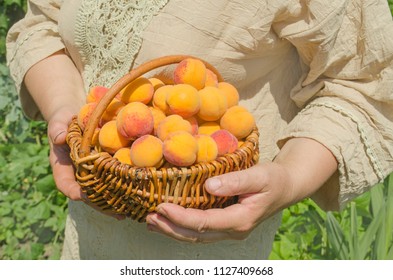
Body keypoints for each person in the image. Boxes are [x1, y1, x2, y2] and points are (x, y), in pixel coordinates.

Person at [6, 0, 393, 259]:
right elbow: (44, 23)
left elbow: (365, 84)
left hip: (209, 244)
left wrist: (289, 180)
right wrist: (65, 115)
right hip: (90, 234)